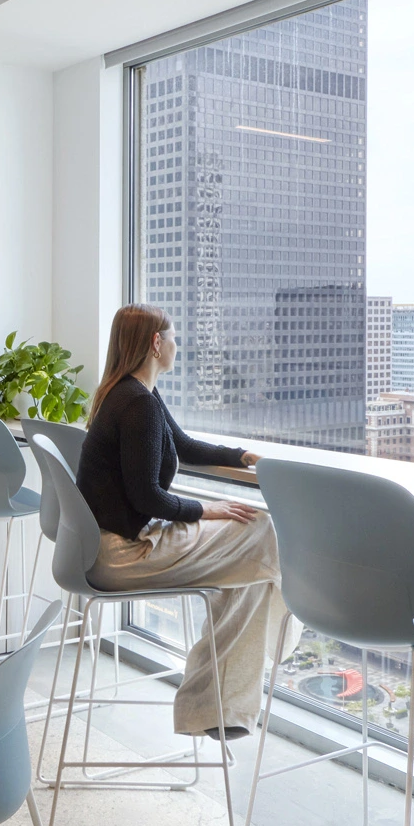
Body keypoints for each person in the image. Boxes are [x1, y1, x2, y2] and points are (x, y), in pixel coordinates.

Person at [75, 304, 286, 739]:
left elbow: (184, 446)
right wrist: (207, 509)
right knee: (259, 529)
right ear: (156, 343)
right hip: (123, 555)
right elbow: (147, 497)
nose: (177, 345)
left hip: (103, 546)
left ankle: (219, 708)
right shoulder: (138, 404)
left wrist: (241, 456)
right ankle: (277, 643)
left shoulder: (131, 393)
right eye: (173, 337)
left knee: (248, 567)